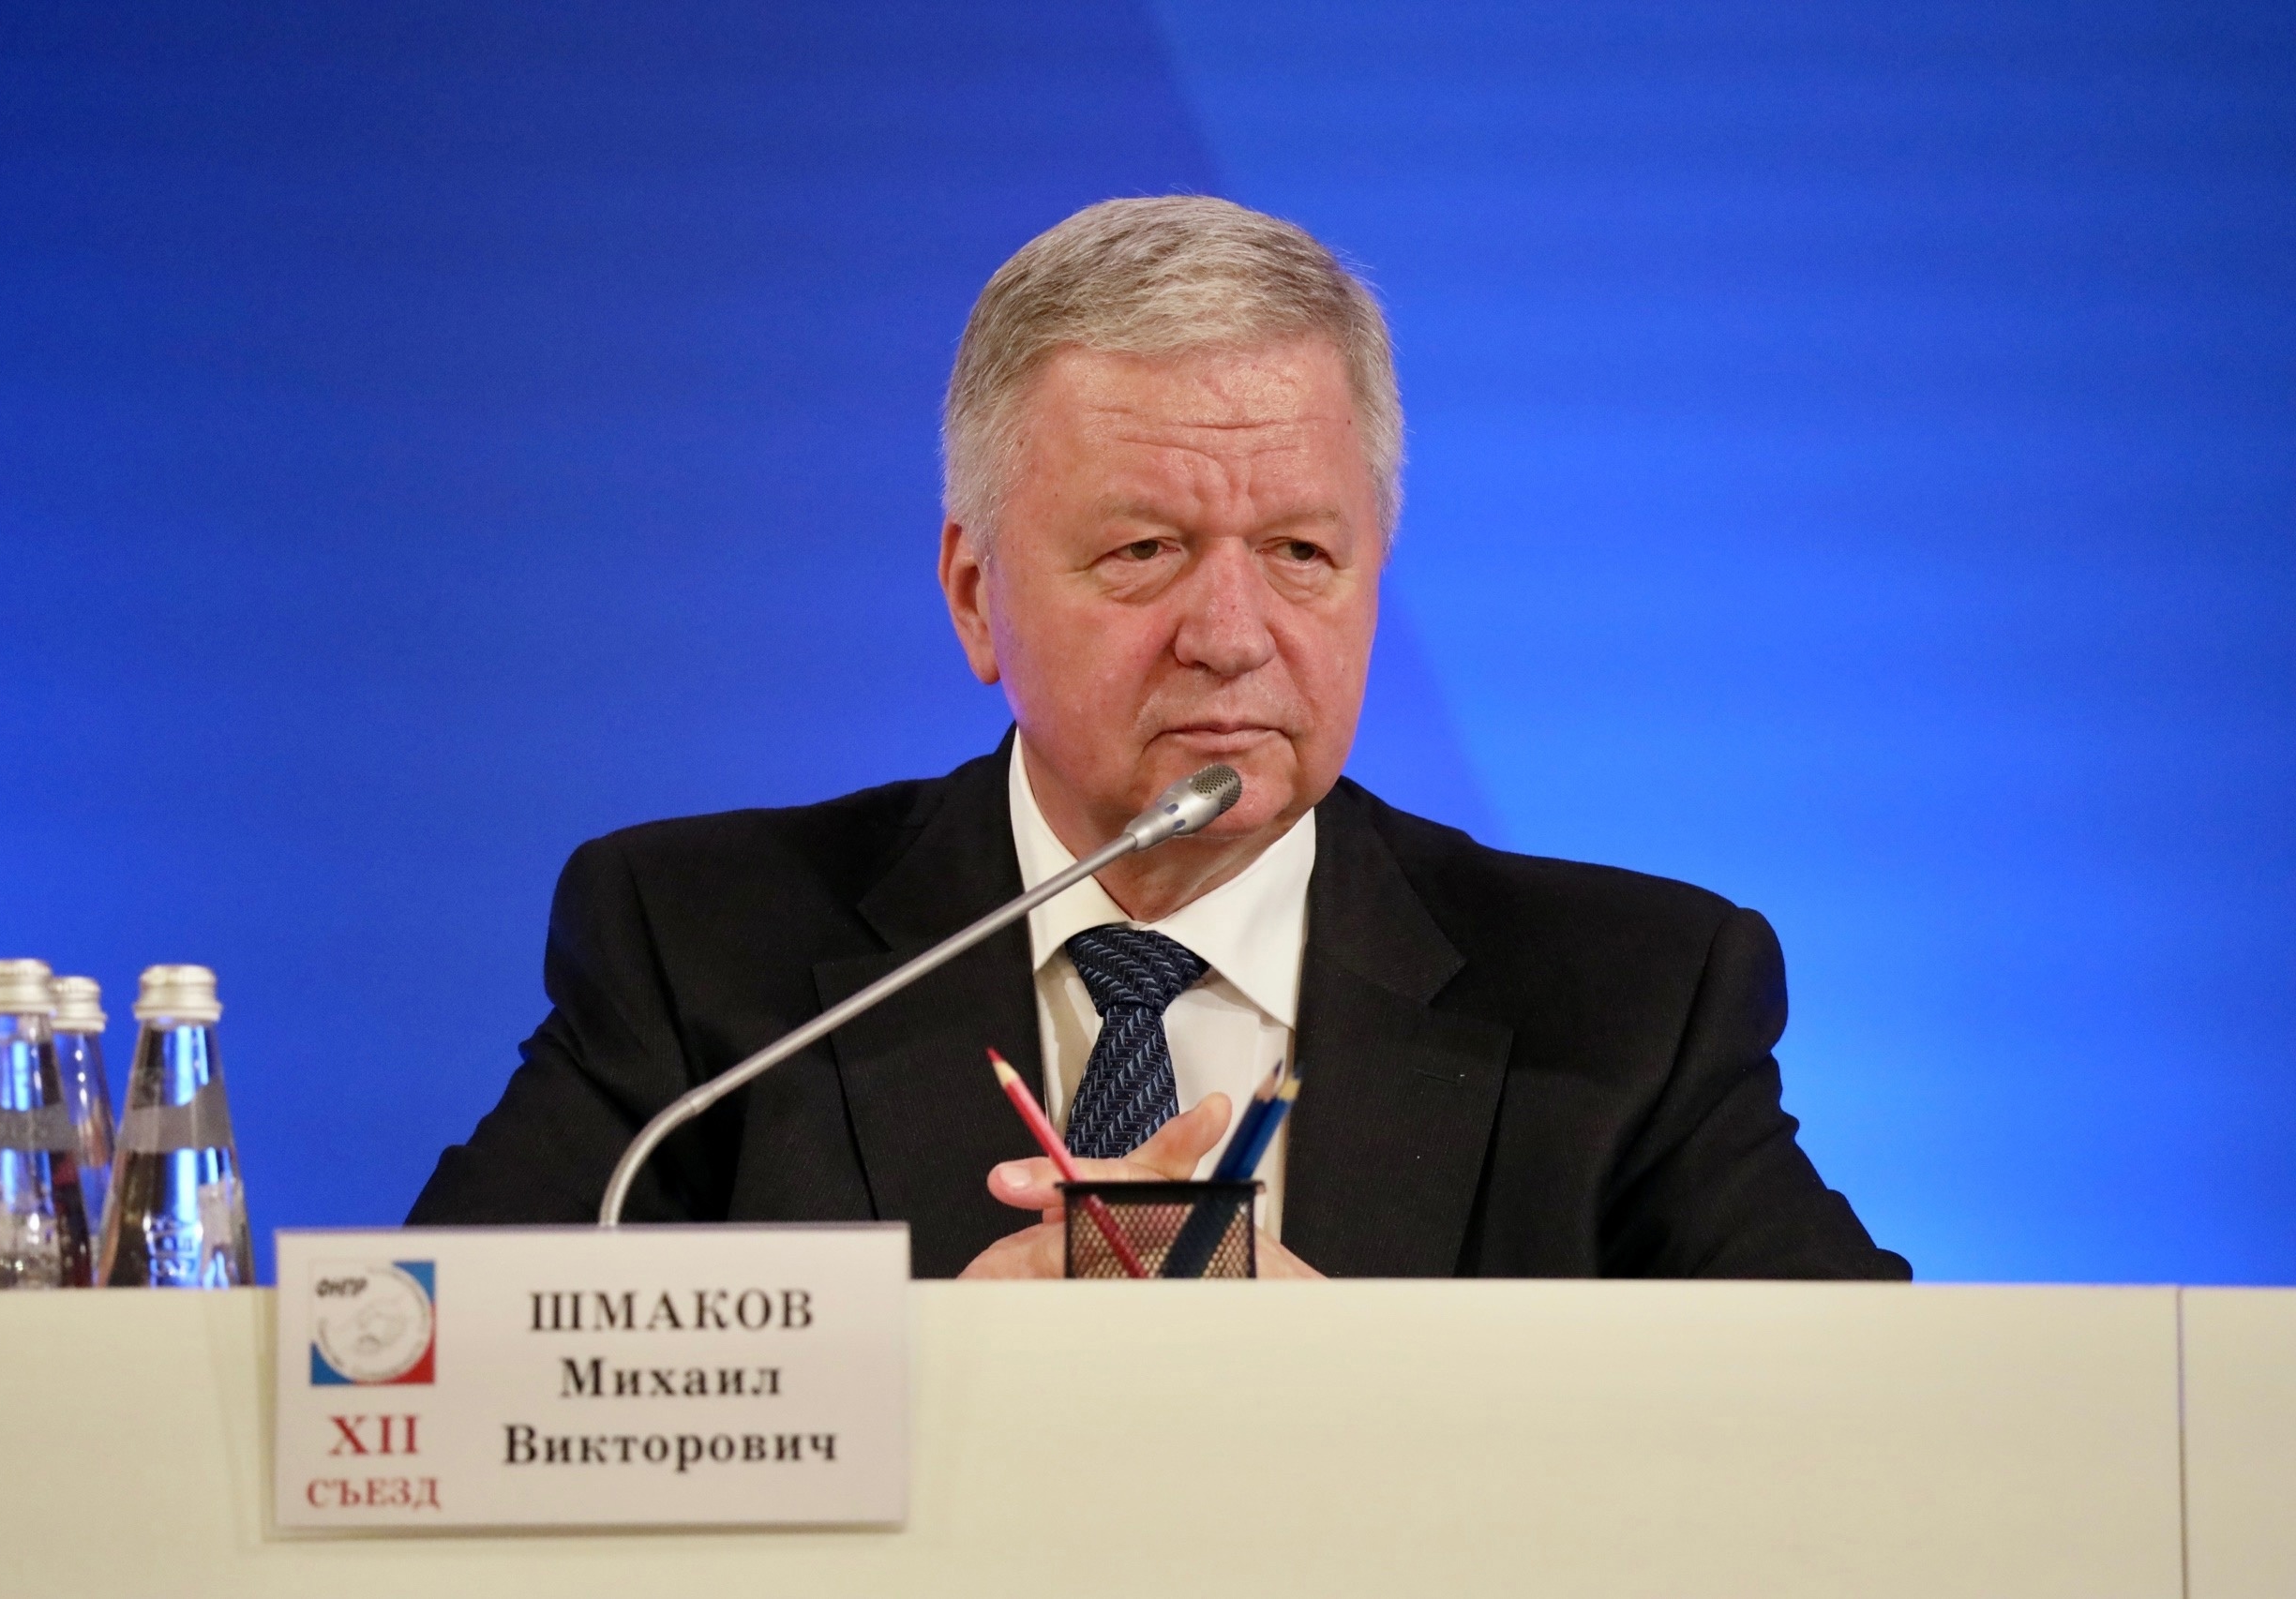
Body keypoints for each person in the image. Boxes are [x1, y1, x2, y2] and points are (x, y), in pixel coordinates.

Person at [408, 196, 1908, 1282]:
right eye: (1145, 550)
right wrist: (930, 1379)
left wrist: (1372, 1398)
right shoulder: (699, 958)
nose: (1232, 632)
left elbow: (1885, 1437)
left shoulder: (1633, 1002)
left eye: (1302, 553)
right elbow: (421, 1380)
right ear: (976, 597)